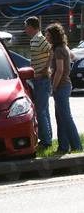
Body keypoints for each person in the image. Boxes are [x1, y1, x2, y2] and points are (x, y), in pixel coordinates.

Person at [45, 23, 82, 153]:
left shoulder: (59, 49)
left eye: (48, 35)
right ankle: (63, 147)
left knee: (65, 117)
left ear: (54, 36)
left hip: (61, 86)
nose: (46, 37)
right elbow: (73, 57)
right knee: (60, 117)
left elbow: (59, 70)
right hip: (64, 85)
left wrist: (53, 87)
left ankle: (77, 146)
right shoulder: (63, 47)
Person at [24, 16, 52, 149]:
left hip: (42, 79)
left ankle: (46, 141)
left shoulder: (40, 39)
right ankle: (48, 138)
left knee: (41, 110)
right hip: (38, 78)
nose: (25, 30)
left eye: (26, 26)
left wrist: (46, 68)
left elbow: (52, 51)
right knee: (43, 110)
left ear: (31, 26)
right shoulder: (34, 40)